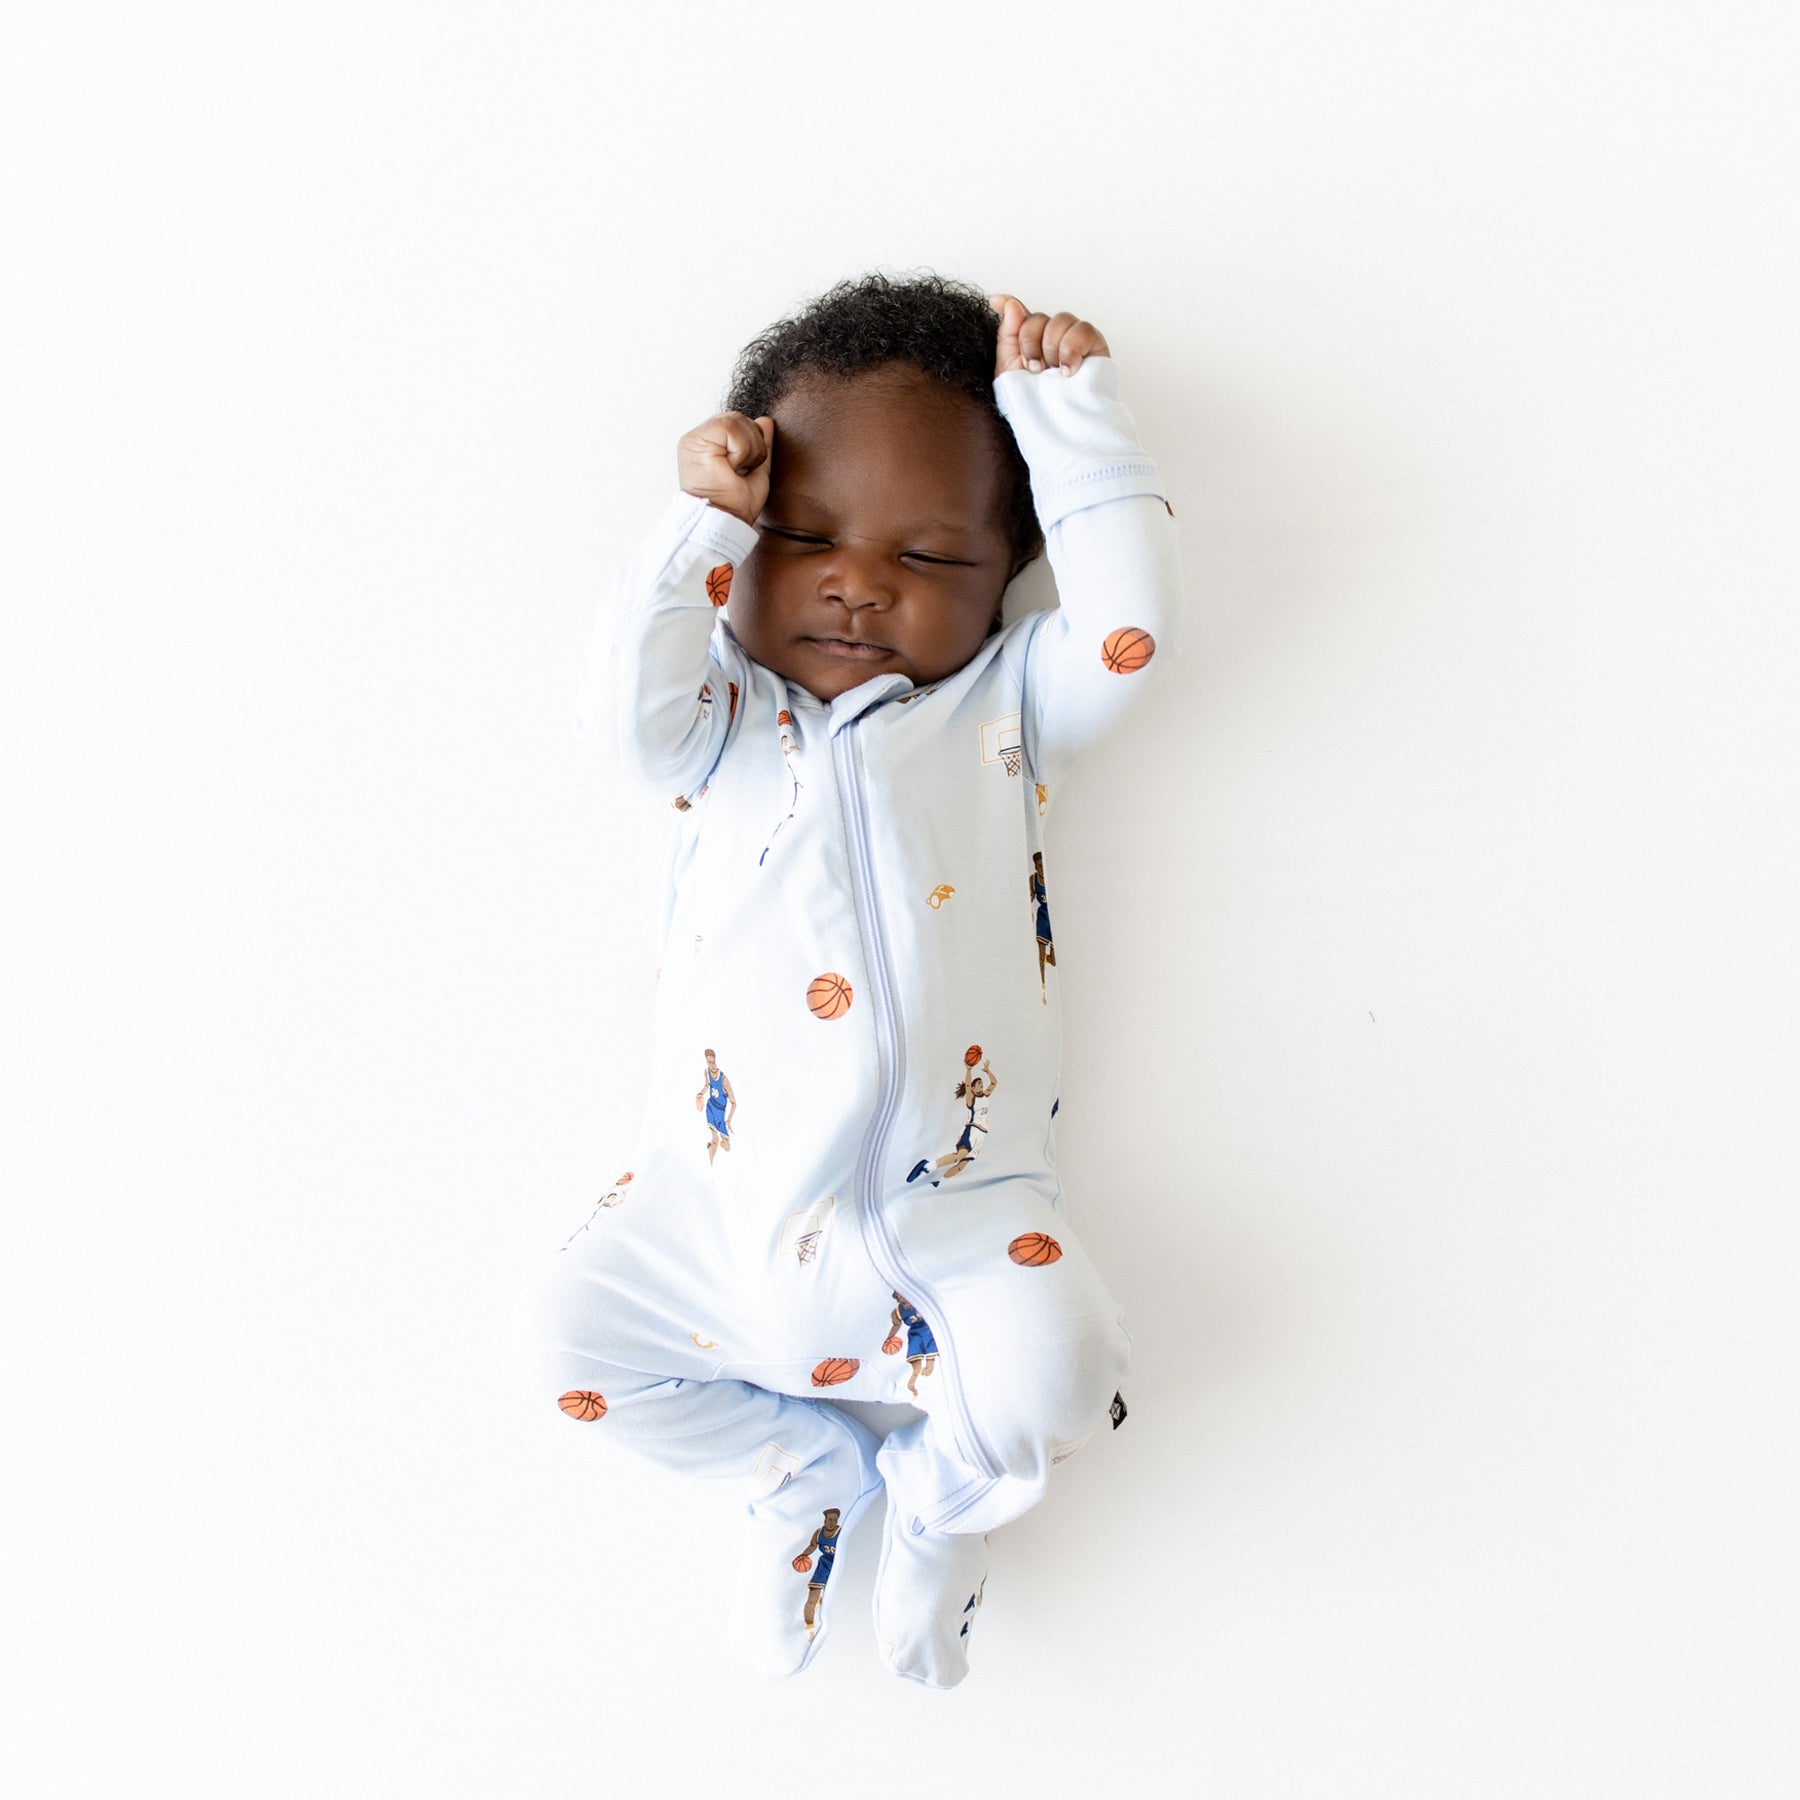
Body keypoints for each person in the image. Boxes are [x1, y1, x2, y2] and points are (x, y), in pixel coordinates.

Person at [510, 272, 1182, 1688]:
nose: (859, 580)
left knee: (1066, 1370)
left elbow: (1128, 638)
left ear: (1008, 575)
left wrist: (1075, 438)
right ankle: (796, 1474)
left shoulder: (1000, 712)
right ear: (750, 547)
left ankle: (941, 1501)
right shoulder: (715, 725)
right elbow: (614, 713)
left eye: (932, 558)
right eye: (805, 536)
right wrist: (699, 518)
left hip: (961, 1217)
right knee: (566, 1343)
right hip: (709, 1219)